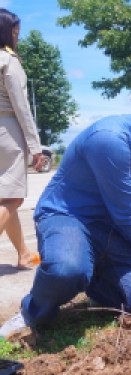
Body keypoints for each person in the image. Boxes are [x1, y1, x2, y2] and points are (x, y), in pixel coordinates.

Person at [0, 99, 131, 340]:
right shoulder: (111, 139)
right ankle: (32, 310)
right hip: (69, 218)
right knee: (67, 269)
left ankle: (91, 276)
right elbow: (129, 214)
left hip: (114, 229)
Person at [0, 8, 44, 270]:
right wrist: (36, 147)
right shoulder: (8, 60)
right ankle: (24, 253)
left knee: (4, 196)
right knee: (13, 198)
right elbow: (21, 107)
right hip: (7, 133)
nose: (18, 36)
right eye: (15, 31)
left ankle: (23, 253)